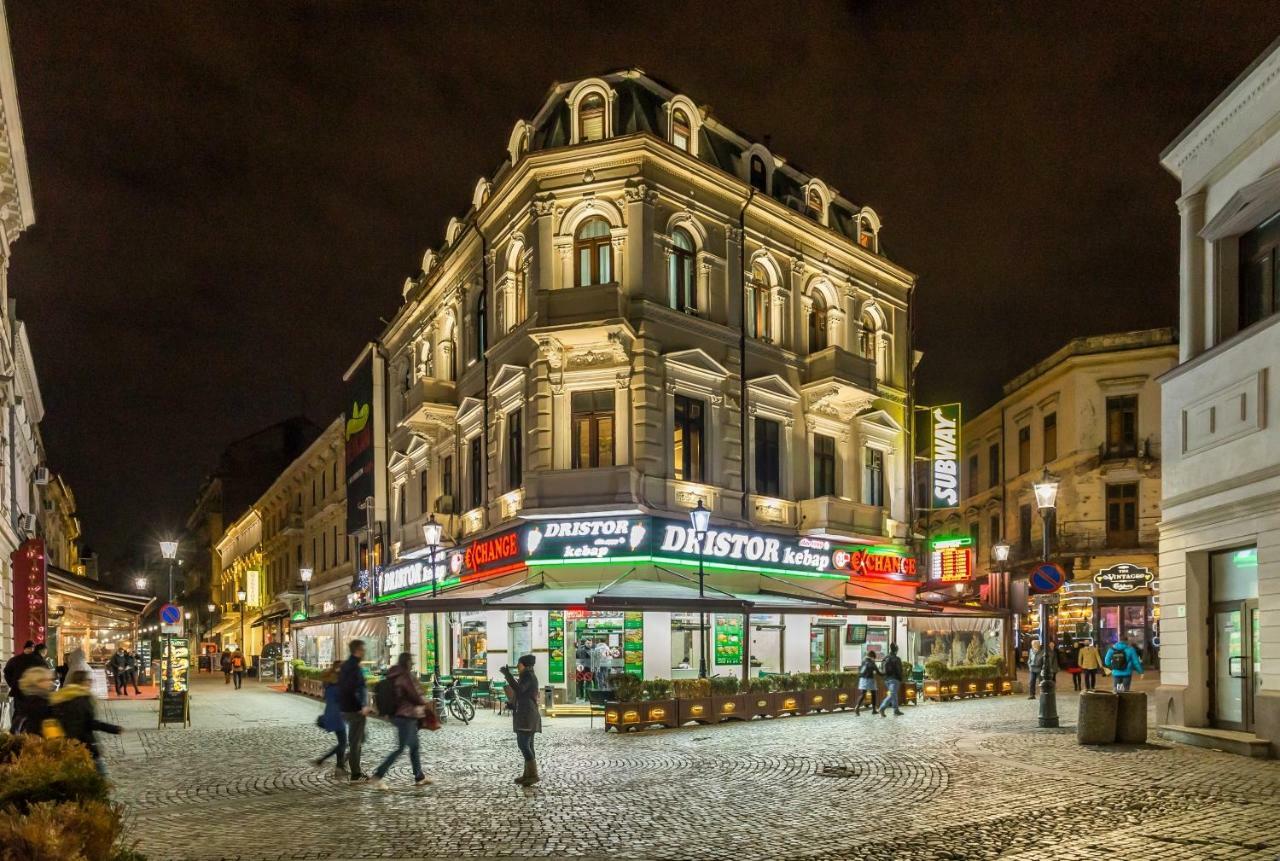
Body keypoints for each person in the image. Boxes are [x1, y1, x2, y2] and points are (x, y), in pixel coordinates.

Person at [371, 653, 431, 789]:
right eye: (411, 661)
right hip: (406, 716)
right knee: (400, 748)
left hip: (403, 715)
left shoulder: (395, 675)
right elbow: (415, 695)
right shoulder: (405, 676)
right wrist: (424, 701)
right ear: (407, 662)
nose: (413, 663)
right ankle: (378, 775)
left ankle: (419, 776)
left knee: (414, 747)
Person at [51, 670, 122, 776]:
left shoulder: (62, 696)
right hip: (84, 742)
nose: (91, 683)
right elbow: (89, 722)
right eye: (89, 680)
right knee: (101, 773)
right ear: (82, 682)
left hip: (66, 742)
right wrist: (113, 729)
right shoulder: (82, 698)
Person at [500, 654, 542, 786]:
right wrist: (512, 704)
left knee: (523, 744)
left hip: (527, 716)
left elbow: (519, 690)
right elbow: (523, 694)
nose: (518, 666)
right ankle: (528, 775)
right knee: (528, 745)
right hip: (526, 714)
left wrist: (508, 675)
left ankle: (533, 775)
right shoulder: (527, 676)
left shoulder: (528, 676)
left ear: (524, 665)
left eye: (519, 663)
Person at [337, 639, 372, 782]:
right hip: (355, 709)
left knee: (361, 737)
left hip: (346, 708)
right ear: (357, 650)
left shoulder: (346, 665)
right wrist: (361, 706)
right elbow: (352, 689)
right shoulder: (354, 667)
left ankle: (344, 761)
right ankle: (355, 774)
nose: (364, 652)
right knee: (356, 741)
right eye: (363, 650)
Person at [313, 661, 348, 774]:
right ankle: (323, 759)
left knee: (342, 742)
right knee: (343, 743)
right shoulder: (338, 685)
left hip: (331, 714)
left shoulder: (329, 684)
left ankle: (339, 767)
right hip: (337, 716)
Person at [4, 641, 41, 730]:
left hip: (18, 691)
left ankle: (15, 735)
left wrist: (12, 684)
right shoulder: (37, 660)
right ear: (32, 648)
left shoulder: (14, 660)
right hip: (33, 692)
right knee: (31, 714)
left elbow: (7, 672)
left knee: (19, 713)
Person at [14, 666, 55, 735]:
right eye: (42, 680)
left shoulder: (27, 700)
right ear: (33, 683)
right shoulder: (38, 703)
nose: (49, 682)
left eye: (50, 679)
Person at [879, 644, 906, 717]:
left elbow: (881, 669)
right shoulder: (897, 659)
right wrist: (900, 678)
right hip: (894, 679)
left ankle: (896, 710)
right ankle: (882, 708)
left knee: (893, 694)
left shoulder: (885, 658)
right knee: (892, 694)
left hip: (886, 679)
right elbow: (899, 670)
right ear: (896, 650)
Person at [855, 649, 881, 716]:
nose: (874, 659)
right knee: (873, 693)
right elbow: (878, 671)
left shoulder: (863, 661)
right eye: (874, 658)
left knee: (863, 694)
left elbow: (860, 670)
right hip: (869, 679)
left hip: (862, 679)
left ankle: (857, 707)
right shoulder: (871, 662)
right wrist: (884, 673)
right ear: (872, 656)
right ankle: (874, 710)